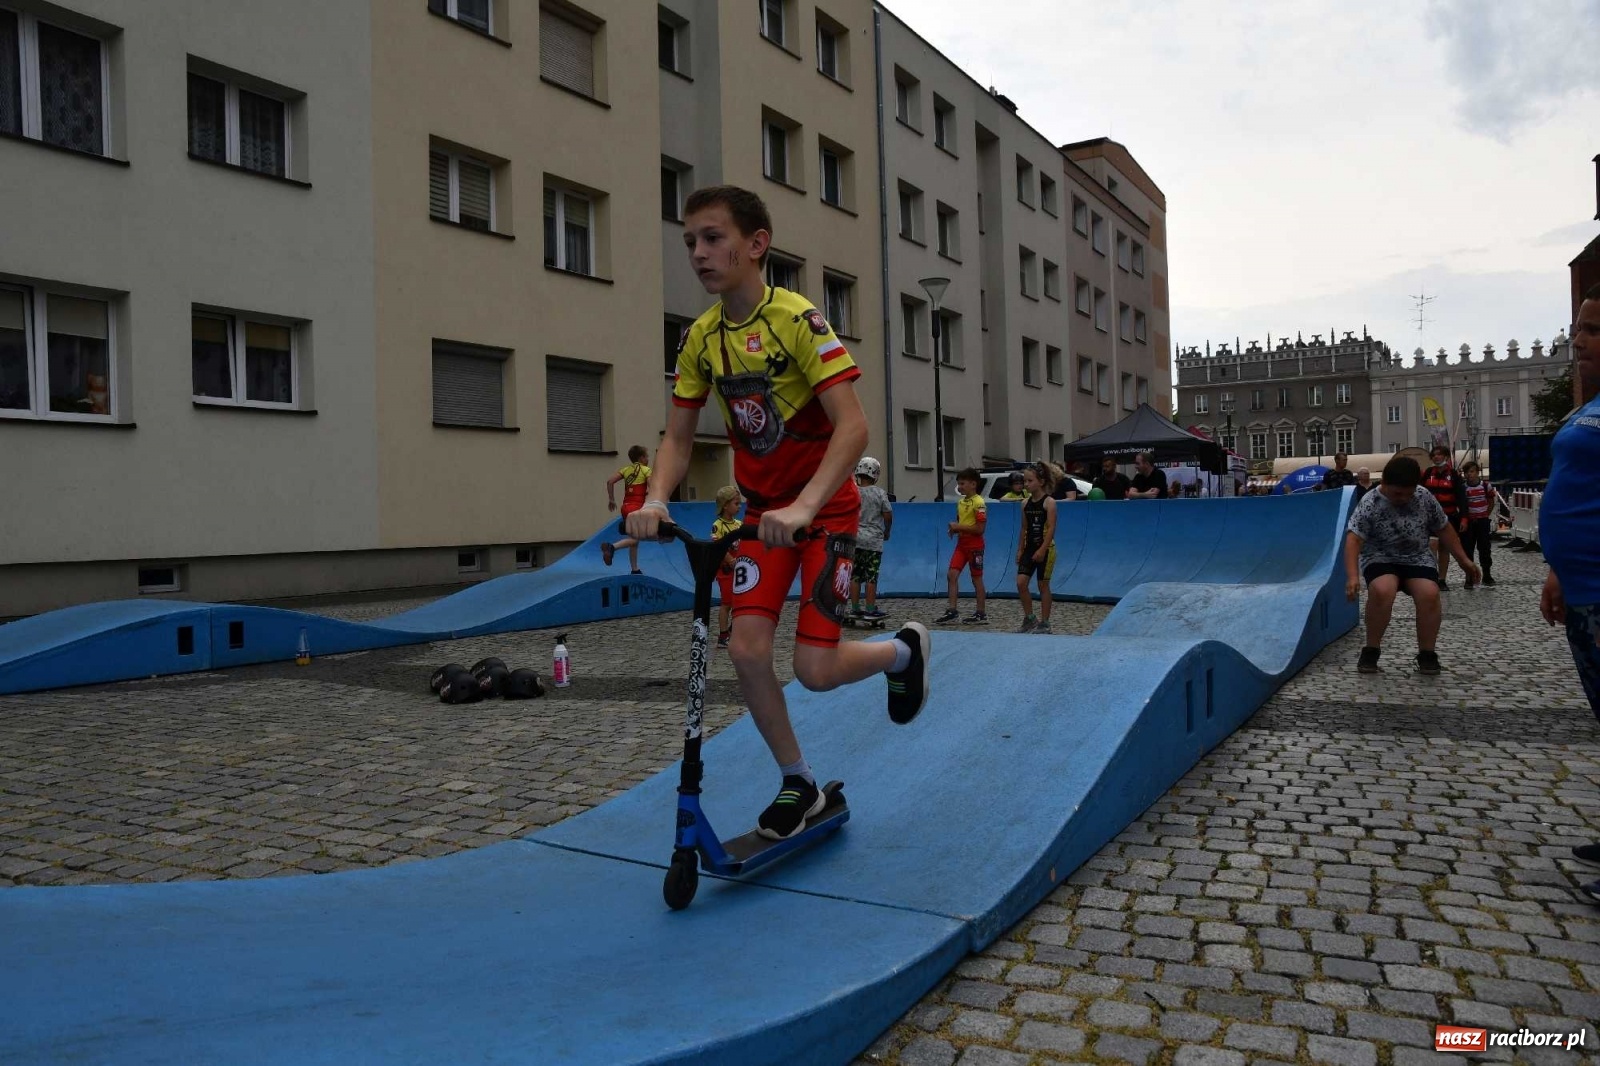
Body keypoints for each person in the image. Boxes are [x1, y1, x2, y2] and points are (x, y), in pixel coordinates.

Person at [627, 184, 932, 842]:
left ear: (755, 245)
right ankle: (799, 781)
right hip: (763, 518)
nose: (698, 253)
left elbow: (853, 428)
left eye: (712, 238)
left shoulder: (797, 320)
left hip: (828, 514)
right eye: (690, 242)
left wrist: (805, 505)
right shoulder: (702, 339)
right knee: (745, 649)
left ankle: (903, 652)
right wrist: (655, 499)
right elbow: (678, 438)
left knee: (816, 672)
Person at [1542, 286, 1600, 899]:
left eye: (1593, 330)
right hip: (1582, 585)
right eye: (1578, 328)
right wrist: (1558, 565)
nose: (1578, 340)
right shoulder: (1592, 407)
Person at [1344, 455, 1479, 675]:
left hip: (1417, 557)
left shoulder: (1423, 496)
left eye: (1408, 493)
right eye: (1398, 493)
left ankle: (1427, 653)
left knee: (1430, 593)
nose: (1403, 499)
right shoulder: (1370, 502)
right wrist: (1352, 576)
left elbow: (1443, 528)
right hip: (1380, 556)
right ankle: (1371, 648)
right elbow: (1354, 539)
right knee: (1382, 590)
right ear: (1385, 483)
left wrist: (1464, 560)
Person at [934, 467, 988, 625]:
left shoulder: (979, 503)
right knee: (952, 574)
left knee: (976, 578)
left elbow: (980, 529)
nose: (960, 487)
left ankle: (981, 613)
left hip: (975, 545)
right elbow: (962, 522)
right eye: (959, 484)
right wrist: (954, 529)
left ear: (973, 484)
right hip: (962, 544)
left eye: (963, 484)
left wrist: (958, 527)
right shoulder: (961, 502)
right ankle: (952, 610)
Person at [1016, 463, 1058, 634]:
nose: (1026, 484)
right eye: (1025, 481)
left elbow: (1051, 528)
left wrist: (1042, 549)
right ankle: (1030, 619)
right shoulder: (1024, 503)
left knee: (1043, 585)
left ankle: (1045, 622)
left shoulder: (1049, 503)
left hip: (1046, 549)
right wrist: (1020, 549)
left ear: (1041, 482)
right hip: (1029, 548)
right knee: (1021, 583)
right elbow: (1024, 528)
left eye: (1030, 480)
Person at [1421, 445, 1468, 589]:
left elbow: (1461, 497)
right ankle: (1431, 575)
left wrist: (1464, 518)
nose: (1436, 457)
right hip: (1430, 518)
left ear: (1446, 457)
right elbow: (1419, 493)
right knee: (1431, 546)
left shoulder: (1454, 475)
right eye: (1434, 455)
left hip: (1449, 516)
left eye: (1439, 455)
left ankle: (1442, 579)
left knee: (1444, 549)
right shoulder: (1428, 473)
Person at [851, 456, 893, 619]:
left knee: (855, 575)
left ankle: (855, 607)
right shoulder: (879, 493)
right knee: (871, 576)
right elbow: (888, 515)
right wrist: (887, 530)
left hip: (856, 539)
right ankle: (869, 608)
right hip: (873, 541)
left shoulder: (854, 491)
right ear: (875, 474)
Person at [601, 445, 652, 574]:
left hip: (626, 507)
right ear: (641, 458)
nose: (648, 459)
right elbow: (652, 489)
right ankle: (611, 547)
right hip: (637, 509)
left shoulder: (626, 469)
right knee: (635, 539)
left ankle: (635, 569)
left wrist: (611, 499)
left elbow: (610, 482)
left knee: (633, 540)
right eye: (646, 456)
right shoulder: (646, 470)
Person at [711, 485, 743, 649]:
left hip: (740, 570)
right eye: (736, 504)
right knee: (727, 603)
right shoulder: (718, 525)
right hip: (726, 570)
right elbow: (718, 545)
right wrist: (731, 560)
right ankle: (723, 635)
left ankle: (733, 630)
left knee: (740, 602)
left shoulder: (739, 524)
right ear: (725, 505)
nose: (739, 506)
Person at [1458, 461, 1498, 589]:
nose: (1469, 475)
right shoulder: (1463, 488)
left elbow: (1491, 501)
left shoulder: (1486, 486)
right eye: (1467, 472)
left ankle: (1487, 574)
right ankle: (1469, 577)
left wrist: (1486, 514)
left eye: (1472, 471)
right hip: (1469, 522)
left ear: (1477, 472)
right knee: (1468, 550)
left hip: (1482, 521)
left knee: (1485, 548)